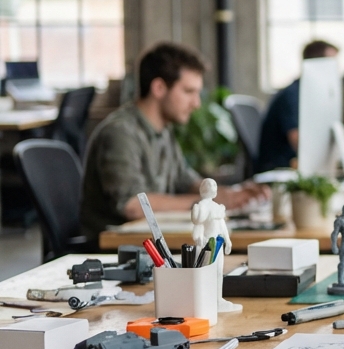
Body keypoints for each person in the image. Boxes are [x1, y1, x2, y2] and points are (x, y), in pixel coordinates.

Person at [80, 42, 268, 247]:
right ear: (159, 88)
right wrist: (205, 204)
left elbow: (186, 181)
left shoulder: (164, 130)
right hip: (116, 251)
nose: (196, 103)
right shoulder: (120, 132)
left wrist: (230, 193)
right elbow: (133, 205)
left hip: (152, 245)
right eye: (188, 91)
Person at [255, 39, 339, 173]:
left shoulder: (313, 94)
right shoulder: (293, 95)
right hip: (279, 168)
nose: (336, 70)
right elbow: (299, 141)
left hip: (297, 166)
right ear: (316, 64)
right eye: (331, 64)